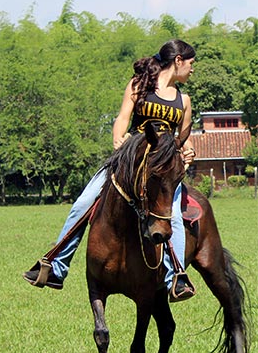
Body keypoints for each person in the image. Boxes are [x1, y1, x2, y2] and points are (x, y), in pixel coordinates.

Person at [23, 38, 196, 300]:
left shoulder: (184, 100)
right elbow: (122, 119)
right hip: (130, 164)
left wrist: (189, 151)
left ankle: (176, 278)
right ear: (178, 61)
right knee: (82, 204)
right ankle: (56, 266)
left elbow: (184, 138)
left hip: (162, 171)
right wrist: (118, 138)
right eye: (191, 64)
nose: (192, 70)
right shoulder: (139, 86)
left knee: (173, 219)